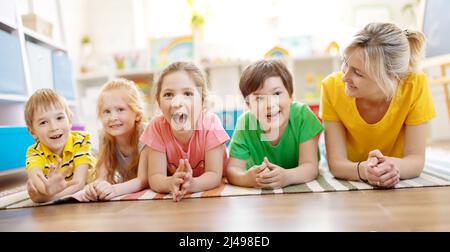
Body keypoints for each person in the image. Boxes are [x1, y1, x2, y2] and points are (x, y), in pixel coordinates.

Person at [320, 22, 436, 188]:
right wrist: (364, 170)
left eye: (358, 73)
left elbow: (416, 160)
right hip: (350, 160)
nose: (344, 77)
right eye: (345, 63)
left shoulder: (415, 85)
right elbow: (337, 164)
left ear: (392, 78)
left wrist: (393, 167)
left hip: (390, 158)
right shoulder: (331, 87)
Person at [227, 59, 323, 188]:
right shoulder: (245, 123)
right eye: (259, 98)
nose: (269, 104)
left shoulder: (302, 116)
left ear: (291, 96)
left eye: (277, 93)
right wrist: (247, 179)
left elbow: (311, 167)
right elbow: (232, 170)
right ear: (248, 105)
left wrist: (287, 177)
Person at [141, 61, 230, 202]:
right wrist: (170, 183)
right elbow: (155, 177)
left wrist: (192, 184)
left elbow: (214, 175)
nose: (178, 102)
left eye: (188, 93)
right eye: (169, 94)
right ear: (158, 102)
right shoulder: (156, 127)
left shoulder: (211, 123)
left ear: (202, 101)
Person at [81, 78, 149, 201]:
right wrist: (95, 187)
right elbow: (103, 176)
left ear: (137, 114)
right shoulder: (105, 136)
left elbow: (143, 180)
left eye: (120, 109)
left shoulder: (146, 134)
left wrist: (114, 190)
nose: (113, 117)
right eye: (107, 111)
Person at [24, 89, 96, 203]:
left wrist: (47, 197)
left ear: (70, 120)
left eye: (59, 118)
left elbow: (79, 183)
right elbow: (37, 180)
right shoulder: (34, 152)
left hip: (94, 176)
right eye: (43, 122)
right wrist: (46, 189)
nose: (54, 127)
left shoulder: (81, 140)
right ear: (32, 131)